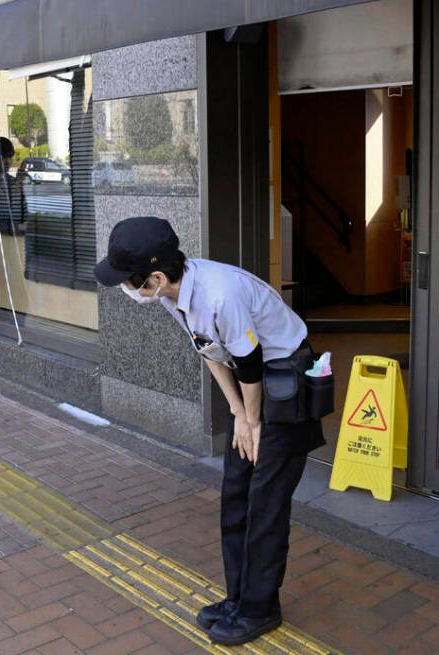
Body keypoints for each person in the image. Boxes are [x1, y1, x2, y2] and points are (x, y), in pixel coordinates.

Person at [94, 217, 323, 646]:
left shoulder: (221, 295)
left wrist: (252, 421)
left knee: (265, 501)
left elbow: (252, 361)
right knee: (236, 490)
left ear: (157, 277)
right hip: (252, 385)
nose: (126, 289)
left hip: (285, 380)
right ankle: (238, 596)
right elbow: (208, 350)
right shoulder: (172, 294)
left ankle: (260, 608)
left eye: (129, 281)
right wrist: (238, 413)